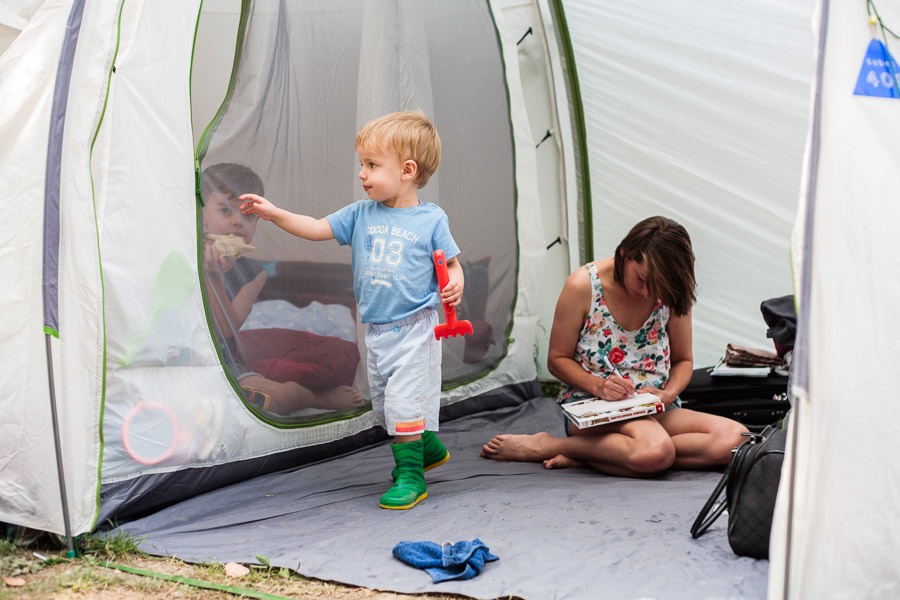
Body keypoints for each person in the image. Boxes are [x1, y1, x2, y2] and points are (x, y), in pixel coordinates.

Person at [239, 111, 464, 510]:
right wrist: (274, 214)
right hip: (376, 330)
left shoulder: (431, 219)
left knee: (402, 403)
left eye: (373, 165)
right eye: (363, 164)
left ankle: (412, 476)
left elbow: (449, 262)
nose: (362, 174)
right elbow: (313, 227)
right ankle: (425, 447)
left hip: (416, 327)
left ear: (408, 170)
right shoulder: (360, 215)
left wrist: (455, 279)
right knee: (383, 407)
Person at [481, 216, 748, 477]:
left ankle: (593, 455)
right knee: (656, 450)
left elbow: (683, 361)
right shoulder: (583, 285)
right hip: (594, 409)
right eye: (642, 279)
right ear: (624, 253)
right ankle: (548, 445)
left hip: (652, 407)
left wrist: (667, 395)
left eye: (657, 287)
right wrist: (599, 386)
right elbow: (557, 360)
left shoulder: (671, 292)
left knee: (737, 439)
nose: (647, 293)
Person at [201, 162, 364, 415]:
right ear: (203, 218)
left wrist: (214, 278)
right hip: (182, 357)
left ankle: (315, 397)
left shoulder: (254, 273)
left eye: (248, 215)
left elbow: (225, 329)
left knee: (273, 397)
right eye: (225, 210)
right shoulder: (184, 254)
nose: (238, 223)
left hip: (223, 361)